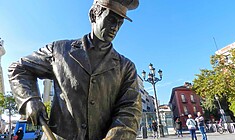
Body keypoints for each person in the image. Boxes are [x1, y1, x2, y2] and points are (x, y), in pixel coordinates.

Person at [8, 0, 142, 139]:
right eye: (110, 19)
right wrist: (30, 99)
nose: (115, 27)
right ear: (93, 15)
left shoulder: (126, 67)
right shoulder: (59, 51)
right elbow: (18, 68)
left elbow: (130, 110)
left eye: (120, 23)